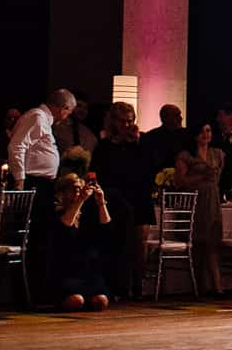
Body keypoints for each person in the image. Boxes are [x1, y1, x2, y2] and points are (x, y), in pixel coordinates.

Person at [8, 88, 76, 305]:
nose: (66, 118)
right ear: (63, 108)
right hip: (32, 183)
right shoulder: (37, 117)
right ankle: (31, 293)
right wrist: (20, 180)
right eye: (68, 113)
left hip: (42, 185)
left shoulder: (43, 119)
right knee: (36, 238)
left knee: (42, 238)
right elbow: (17, 146)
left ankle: (39, 291)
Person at [92, 101, 153, 299]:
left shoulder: (140, 143)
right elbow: (99, 172)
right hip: (117, 199)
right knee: (119, 243)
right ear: (114, 122)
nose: (128, 125)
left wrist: (137, 143)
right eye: (123, 121)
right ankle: (119, 286)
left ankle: (138, 286)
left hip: (139, 197)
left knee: (140, 242)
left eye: (131, 121)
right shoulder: (104, 146)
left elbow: (151, 167)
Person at [176, 122, 226, 296]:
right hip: (195, 201)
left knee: (213, 242)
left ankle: (217, 286)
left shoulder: (218, 154)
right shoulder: (186, 155)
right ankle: (200, 286)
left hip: (212, 200)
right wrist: (201, 176)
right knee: (198, 244)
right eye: (202, 130)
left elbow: (218, 178)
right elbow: (180, 181)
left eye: (209, 130)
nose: (206, 134)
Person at [50, 173, 113, 311]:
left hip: (87, 271)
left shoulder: (86, 214)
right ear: (61, 194)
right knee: (75, 301)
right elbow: (66, 226)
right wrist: (81, 200)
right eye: (73, 189)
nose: (77, 192)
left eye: (79, 188)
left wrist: (101, 201)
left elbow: (106, 227)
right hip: (66, 272)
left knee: (101, 301)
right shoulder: (56, 214)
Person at [142, 104, 188, 176]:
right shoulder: (151, 137)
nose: (181, 118)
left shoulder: (187, 135)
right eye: (177, 115)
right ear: (165, 118)